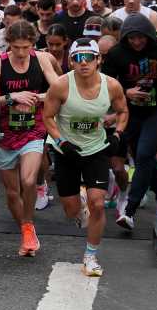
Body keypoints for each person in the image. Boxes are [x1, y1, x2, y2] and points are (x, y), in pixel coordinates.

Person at [42, 38, 129, 276]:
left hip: (96, 149)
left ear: (98, 60)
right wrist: (61, 141)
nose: (83, 63)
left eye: (88, 57)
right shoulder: (60, 86)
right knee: (72, 211)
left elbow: (122, 111)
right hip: (67, 151)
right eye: (78, 58)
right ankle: (79, 202)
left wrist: (118, 135)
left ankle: (90, 256)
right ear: (71, 62)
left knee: (98, 204)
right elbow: (47, 117)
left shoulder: (111, 86)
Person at [0, 20, 58, 257]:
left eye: (26, 47)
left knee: (28, 180)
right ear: (8, 44)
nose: (20, 52)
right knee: (12, 192)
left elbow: (59, 90)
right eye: (15, 47)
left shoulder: (42, 59)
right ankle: (26, 231)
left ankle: (28, 225)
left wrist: (36, 97)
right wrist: (13, 97)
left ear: (33, 44)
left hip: (33, 129)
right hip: (5, 131)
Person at [103, 13, 157, 228]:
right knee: (146, 160)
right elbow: (106, 84)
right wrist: (126, 91)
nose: (137, 42)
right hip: (131, 113)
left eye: (141, 37)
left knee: (144, 155)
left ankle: (129, 211)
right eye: (132, 38)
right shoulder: (117, 53)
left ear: (149, 35)